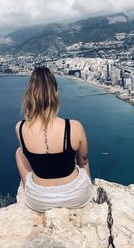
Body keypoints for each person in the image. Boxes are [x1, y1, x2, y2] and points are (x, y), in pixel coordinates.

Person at [14, 66, 94, 212]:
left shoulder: (20, 128)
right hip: (76, 197)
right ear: (55, 94)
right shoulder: (74, 127)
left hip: (39, 202)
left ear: (29, 95)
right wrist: (87, 185)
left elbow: (32, 158)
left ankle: (31, 188)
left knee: (19, 152)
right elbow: (84, 162)